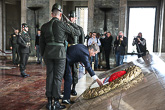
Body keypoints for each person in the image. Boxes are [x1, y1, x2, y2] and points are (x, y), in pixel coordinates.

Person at [40, 3, 80, 110]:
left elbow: (41, 44)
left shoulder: (44, 26)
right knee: (57, 78)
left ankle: (49, 103)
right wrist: (70, 22)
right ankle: (56, 102)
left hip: (48, 54)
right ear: (60, 14)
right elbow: (77, 32)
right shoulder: (63, 25)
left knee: (49, 77)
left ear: (52, 14)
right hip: (60, 54)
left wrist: (44, 56)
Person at [67, 10, 85, 96]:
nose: (71, 19)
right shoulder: (65, 27)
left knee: (75, 71)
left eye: (72, 17)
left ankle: (73, 88)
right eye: (70, 17)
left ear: (75, 18)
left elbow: (81, 43)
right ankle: (67, 88)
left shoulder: (79, 29)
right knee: (66, 71)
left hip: (75, 52)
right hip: (66, 51)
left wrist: (81, 55)